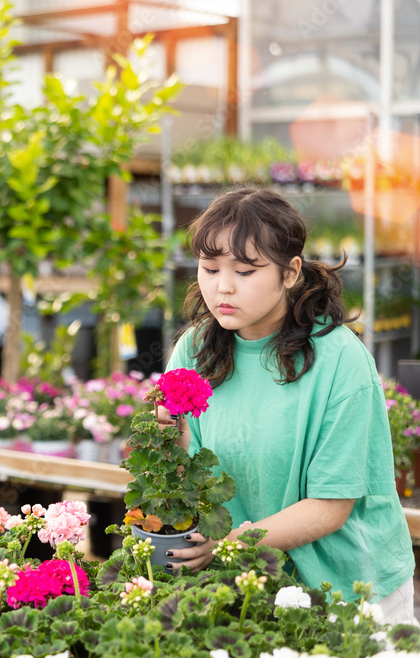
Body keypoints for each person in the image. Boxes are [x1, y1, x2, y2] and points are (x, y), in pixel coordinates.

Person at [160, 188, 415, 624]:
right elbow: (180, 469)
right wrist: (164, 434)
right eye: (209, 268)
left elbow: (330, 505)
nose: (222, 286)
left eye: (244, 270)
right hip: (245, 584)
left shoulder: (340, 361)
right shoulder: (194, 350)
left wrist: (230, 545)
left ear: (291, 271)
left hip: (349, 593)